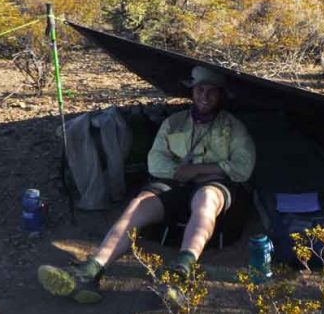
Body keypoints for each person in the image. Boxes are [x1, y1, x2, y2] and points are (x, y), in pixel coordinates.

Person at [38, 65, 256, 304]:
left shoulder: (233, 127)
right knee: (139, 204)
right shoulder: (174, 122)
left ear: (221, 95)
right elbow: (155, 162)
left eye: (212, 92)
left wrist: (201, 170)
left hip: (214, 185)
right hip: (175, 182)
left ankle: (181, 271)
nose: (204, 97)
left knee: (206, 200)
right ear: (192, 92)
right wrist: (183, 172)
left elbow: (242, 168)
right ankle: (91, 269)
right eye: (200, 90)